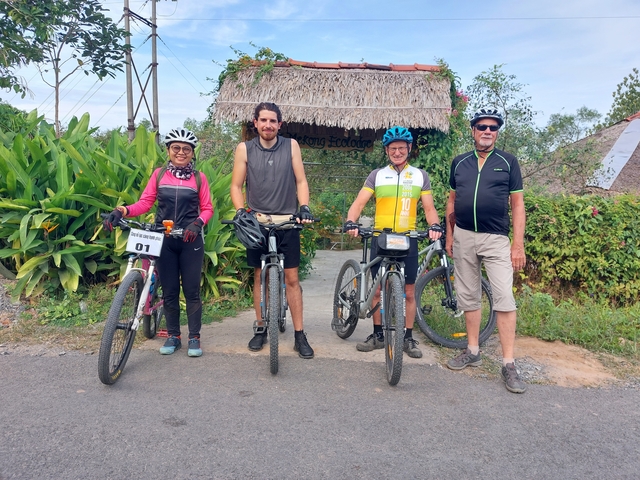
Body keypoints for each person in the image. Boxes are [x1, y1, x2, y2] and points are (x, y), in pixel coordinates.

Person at [103, 128, 213, 357]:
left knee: (191, 291)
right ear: (168, 150)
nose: (181, 152)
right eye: (176, 148)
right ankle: (174, 335)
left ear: (192, 153)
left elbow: (207, 208)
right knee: (170, 290)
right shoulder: (159, 175)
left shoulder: (199, 178)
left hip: (190, 240)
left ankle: (194, 337)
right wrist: (122, 210)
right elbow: (145, 203)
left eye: (186, 149)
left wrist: (198, 223)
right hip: (164, 239)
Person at [444, 108, 527, 393]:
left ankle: (508, 364)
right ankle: (473, 350)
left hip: (496, 239)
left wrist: (518, 244)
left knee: (504, 297)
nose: (487, 131)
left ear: (497, 132)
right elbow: (452, 202)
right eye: (482, 127)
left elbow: (517, 205)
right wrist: (449, 236)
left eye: (492, 127)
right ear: (473, 130)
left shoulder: (508, 162)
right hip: (464, 237)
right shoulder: (459, 163)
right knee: (469, 296)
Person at [344, 126, 442, 359]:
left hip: (408, 238)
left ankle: (407, 337)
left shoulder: (420, 176)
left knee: (409, 292)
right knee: (377, 290)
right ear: (386, 150)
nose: (397, 152)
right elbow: (360, 202)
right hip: (381, 237)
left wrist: (435, 226)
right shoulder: (377, 175)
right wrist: (351, 221)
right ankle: (378, 335)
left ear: (409, 149)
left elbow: (429, 208)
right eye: (392, 148)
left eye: (401, 148)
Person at [230, 102, 315, 359]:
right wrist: (240, 211)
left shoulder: (291, 145)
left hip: (287, 221)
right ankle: (260, 326)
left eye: (273, 121)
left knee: (291, 279)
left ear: (280, 123)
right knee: (260, 276)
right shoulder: (245, 148)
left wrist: (304, 207)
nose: (268, 125)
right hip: (258, 222)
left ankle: (300, 334)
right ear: (255, 122)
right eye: (263, 120)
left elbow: (300, 180)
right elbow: (236, 186)